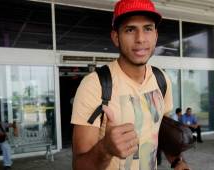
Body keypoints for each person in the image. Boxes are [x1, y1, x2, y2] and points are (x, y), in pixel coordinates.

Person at [71, 0, 190, 169]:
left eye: (147, 29)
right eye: (130, 29)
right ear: (116, 37)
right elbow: (79, 166)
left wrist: (178, 162)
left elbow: (161, 130)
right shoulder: (94, 85)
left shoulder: (161, 78)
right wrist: (106, 148)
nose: (140, 39)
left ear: (155, 35)